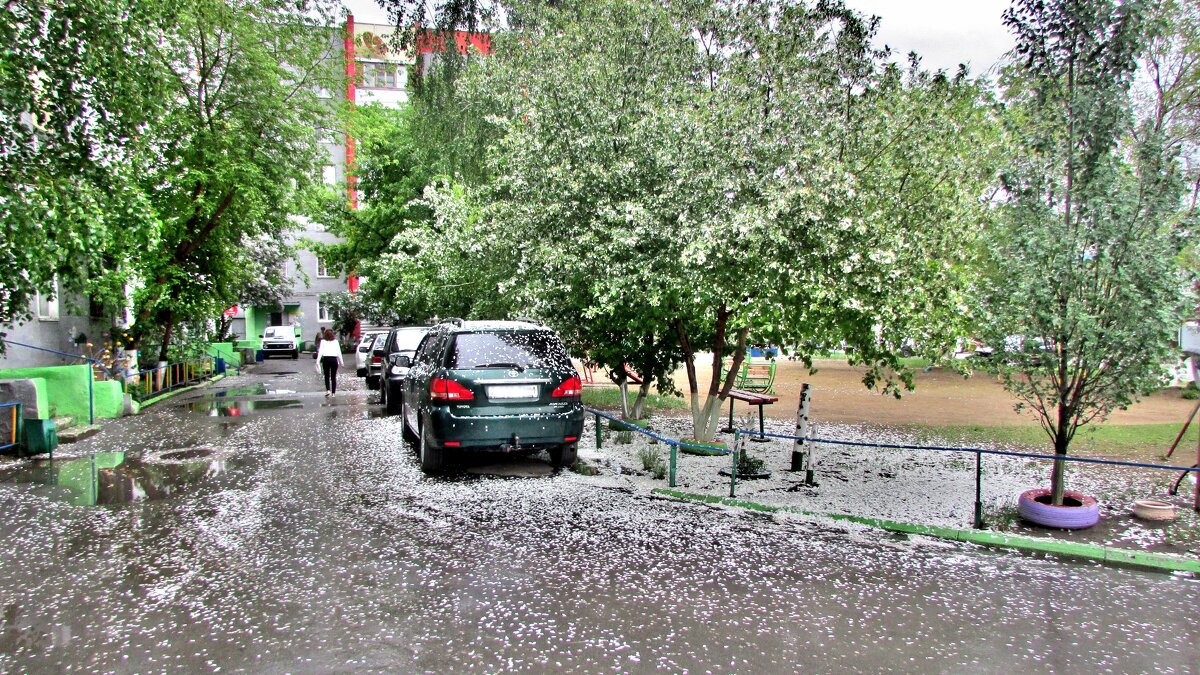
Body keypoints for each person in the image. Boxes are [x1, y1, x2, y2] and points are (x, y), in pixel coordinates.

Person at [316, 327, 343, 396]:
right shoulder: (336, 342)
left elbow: (320, 352)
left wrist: (317, 361)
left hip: (326, 360)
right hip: (334, 360)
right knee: (333, 377)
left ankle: (328, 390)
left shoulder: (323, 342)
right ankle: (333, 393)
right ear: (332, 335)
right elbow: (339, 352)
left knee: (326, 376)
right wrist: (341, 362)